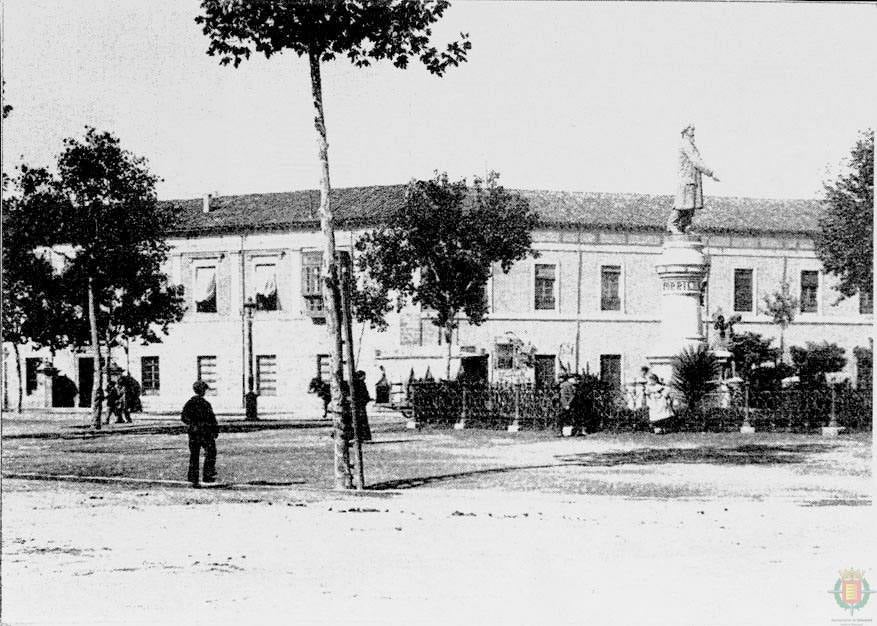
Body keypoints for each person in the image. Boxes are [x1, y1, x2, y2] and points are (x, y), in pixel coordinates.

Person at [668, 123, 720, 234]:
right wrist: (711, 173)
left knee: (690, 206)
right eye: (691, 129)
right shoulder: (686, 144)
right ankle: (672, 224)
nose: (693, 131)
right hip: (686, 179)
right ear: (685, 130)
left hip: (693, 179)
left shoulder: (691, 145)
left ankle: (686, 227)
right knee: (682, 204)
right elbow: (696, 161)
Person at [180, 380, 219, 487]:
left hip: (193, 432)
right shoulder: (205, 404)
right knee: (211, 452)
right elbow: (212, 418)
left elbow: (183, 417)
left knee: (194, 455)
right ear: (202, 391)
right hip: (205, 432)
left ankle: (193, 477)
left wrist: (192, 424)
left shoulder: (189, 403)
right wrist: (215, 430)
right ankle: (208, 474)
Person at [352, 370, 373, 442]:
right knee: (362, 421)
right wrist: (366, 399)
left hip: (359, 404)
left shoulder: (356, 383)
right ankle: (363, 436)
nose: (365, 377)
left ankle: (361, 436)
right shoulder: (360, 384)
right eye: (364, 376)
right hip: (360, 405)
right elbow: (363, 394)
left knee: (359, 421)